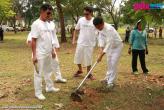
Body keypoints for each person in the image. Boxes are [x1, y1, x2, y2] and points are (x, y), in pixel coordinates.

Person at [31, 4, 59, 100]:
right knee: (38, 73)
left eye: (50, 13)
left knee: (48, 71)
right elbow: (33, 40)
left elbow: (50, 38)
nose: (49, 15)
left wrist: (52, 50)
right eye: (47, 13)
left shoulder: (48, 24)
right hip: (39, 53)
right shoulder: (36, 24)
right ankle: (38, 92)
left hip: (48, 52)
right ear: (42, 12)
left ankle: (49, 87)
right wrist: (34, 55)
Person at [93, 17, 123, 88]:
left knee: (113, 63)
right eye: (96, 27)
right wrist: (101, 50)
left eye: (99, 27)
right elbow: (100, 40)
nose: (98, 28)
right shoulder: (99, 29)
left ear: (102, 23)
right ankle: (107, 78)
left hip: (117, 47)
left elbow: (109, 43)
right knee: (109, 63)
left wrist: (101, 56)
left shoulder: (109, 29)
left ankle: (111, 82)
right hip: (109, 48)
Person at [72, 6, 97, 80]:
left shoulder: (94, 21)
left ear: (91, 13)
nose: (85, 15)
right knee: (77, 58)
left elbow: (99, 31)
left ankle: (89, 74)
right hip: (80, 42)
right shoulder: (81, 20)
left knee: (88, 59)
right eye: (84, 14)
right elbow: (76, 30)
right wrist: (74, 39)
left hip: (90, 44)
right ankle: (80, 70)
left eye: (87, 14)